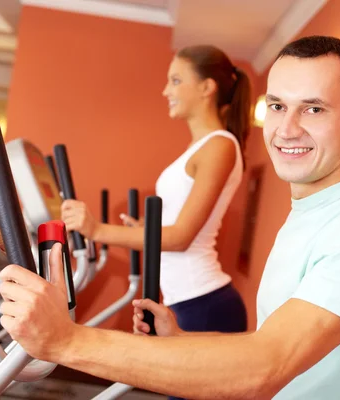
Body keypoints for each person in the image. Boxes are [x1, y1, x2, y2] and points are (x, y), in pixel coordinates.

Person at [0, 36, 340, 399]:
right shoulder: (315, 211)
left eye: (314, 108)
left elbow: (266, 365)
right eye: (279, 107)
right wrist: (182, 342)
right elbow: (266, 343)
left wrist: (65, 340)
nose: (287, 129)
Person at [61, 45, 250, 336]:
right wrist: (146, 230)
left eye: (176, 81)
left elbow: (181, 238)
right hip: (184, 300)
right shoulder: (200, 147)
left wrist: (97, 230)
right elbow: (175, 228)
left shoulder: (220, 146)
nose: (165, 91)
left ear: (206, 87)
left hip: (205, 303)